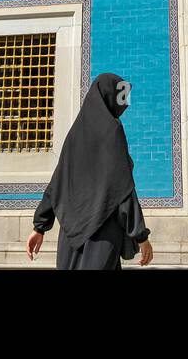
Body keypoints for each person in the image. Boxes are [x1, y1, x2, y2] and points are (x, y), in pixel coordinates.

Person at [25, 72, 154, 269]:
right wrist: (140, 236)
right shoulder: (112, 131)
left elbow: (57, 184)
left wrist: (39, 226)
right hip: (103, 233)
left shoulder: (75, 134)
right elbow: (122, 189)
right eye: (121, 95)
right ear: (109, 95)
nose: (125, 103)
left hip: (70, 235)